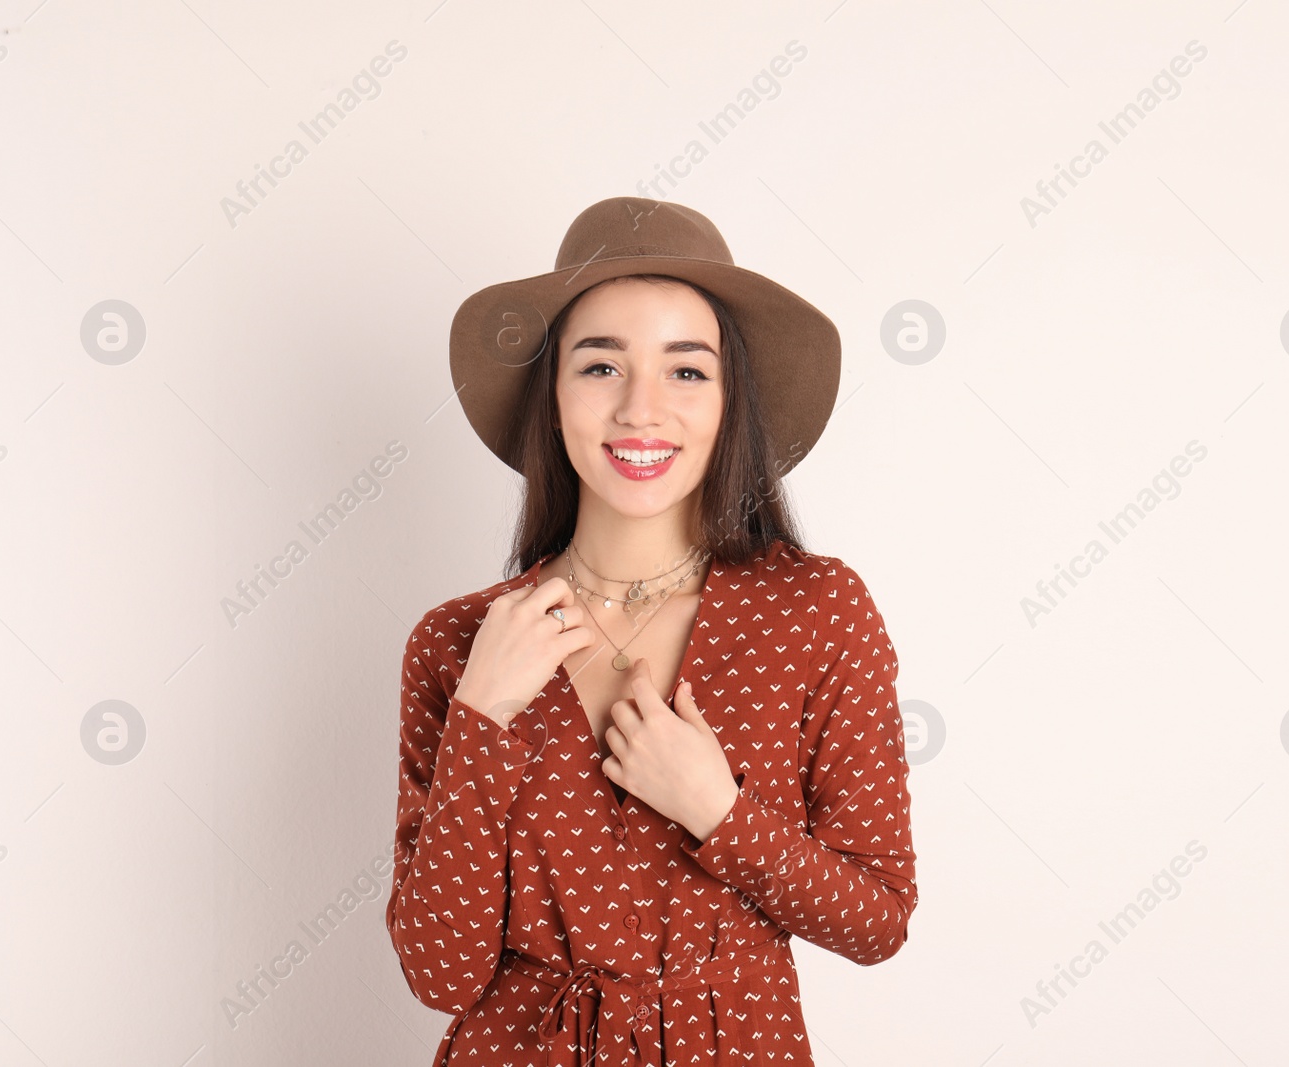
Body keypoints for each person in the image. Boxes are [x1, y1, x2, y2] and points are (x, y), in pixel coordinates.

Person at [386, 196, 917, 1066]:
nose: (641, 409)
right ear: (551, 397)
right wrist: (481, 718)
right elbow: (440, 972)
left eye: (686, 370)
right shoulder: (457, 642)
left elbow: (878, 918)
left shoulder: (816, 612)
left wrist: (721, 811)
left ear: (728, 399)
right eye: (600, 367)